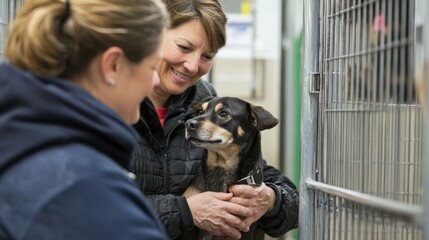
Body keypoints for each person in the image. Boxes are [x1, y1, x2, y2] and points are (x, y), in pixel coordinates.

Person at [129, 0, 299, 239]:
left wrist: (271, 199)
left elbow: (290, 205)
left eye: (207, 56)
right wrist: (186, 211)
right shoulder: (113, 101)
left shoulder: (204, 99)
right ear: (154, 34)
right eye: (184, 47)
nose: (192, 66)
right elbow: (94, 212)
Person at [0, 0, 170, 239]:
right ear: (113, 65)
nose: (155, 81)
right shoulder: (82, 188)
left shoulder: (21, 138)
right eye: (152, 66)